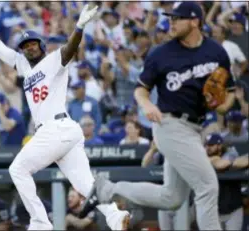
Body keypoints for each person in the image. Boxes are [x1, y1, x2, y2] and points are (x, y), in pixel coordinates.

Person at [0, 5, 130, 231]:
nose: (29, 48)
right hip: (63, 132)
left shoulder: (54, 59)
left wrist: (79, 27)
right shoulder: (25, 66)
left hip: (56, 128)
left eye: (33, 44)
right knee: (85, 184)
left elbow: (70, 49)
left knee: (17, 170)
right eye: (25, 46)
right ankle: (115, 216)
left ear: (41, 46)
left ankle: (40, 223)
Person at [80, 2, 236, 230]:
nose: (171, 22)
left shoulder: (216, 52)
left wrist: (221, 106)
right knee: (208, 186)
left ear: (194, 21)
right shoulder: (161, 54)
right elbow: (140, 89)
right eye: (170, 18)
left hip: (195, 128)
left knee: (171, 197)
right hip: (170, 124)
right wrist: (145, 105)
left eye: (177, 18)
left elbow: (229, 94)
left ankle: (108, 190)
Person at [205, 133, 244, 230]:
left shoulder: (231, 154)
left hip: (233, 209)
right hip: (214, 211)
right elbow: (219, 164)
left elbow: (221, 164)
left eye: (211, 145)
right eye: (206, 145)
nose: (208, 148)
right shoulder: (204, 158)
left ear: (219, 145)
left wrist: (230, 162)